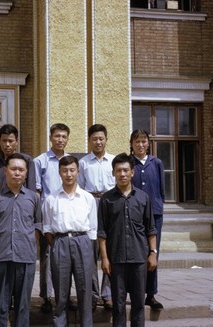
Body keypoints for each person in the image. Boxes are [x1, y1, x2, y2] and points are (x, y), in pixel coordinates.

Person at [98, 153, 157, 327]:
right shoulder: (107, 199)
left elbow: (151, 229)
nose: (122, 174)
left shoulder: (143, 198)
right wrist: (105, 258)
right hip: (116, 259)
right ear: (113, 173)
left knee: (138, 303)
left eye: (125, 170)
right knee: (118, 304)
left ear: (133, 172)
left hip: (139, 258)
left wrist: (153, 253)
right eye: (118, 171)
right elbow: (102, 232)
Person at [42, 155, 97, 327]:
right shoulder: (51, 199)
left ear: (78, 172)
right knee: (61, 290)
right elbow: (47, 229)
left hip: (83, 242)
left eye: (72, 170)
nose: (68, 174)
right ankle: (60, 323)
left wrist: (89, 249)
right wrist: (59, 245)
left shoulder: (87, 198)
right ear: (59, 173)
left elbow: (93, 229)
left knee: (85, 289)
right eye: (64, 171)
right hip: (60, 243)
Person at [0, 153, 40, 327]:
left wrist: (30, 245)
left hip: (26, 257)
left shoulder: (33, 198)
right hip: (2, 256)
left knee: (23, 303)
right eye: (13, 169)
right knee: (0, 303)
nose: (17, 173)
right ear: (5, 171)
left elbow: (37, 226)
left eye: (21, 169)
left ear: (26, 173)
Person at [33, 123, 71, 312]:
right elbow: (37, 192)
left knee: (68, 257)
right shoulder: (40, 161)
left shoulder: (71, 161)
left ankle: (64, 295)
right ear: (50, 138)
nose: (60, 139)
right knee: (47, 256)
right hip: (48, 214)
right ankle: (46, 296)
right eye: (57, 136)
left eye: (64, 136)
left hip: (67, 214)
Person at [77, 124, 115, 311]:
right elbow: (81, 189)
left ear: (106, 140)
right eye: (94, 139)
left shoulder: (113, 161)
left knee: (110, 250)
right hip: (91, 204)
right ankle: (91, 295)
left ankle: (108, 294)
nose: (98, 142)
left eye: (101, 138)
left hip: (110, 205)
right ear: (89, 140)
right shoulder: (83, 163)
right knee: (90, 253)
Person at [130, 129, 165, 310]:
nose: (141, 144)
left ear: (148, 143)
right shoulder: (129, 163)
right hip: (134, 215)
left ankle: (150, 294)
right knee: (135, 253)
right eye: (137, 141)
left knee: (153, 252)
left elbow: (162, 191)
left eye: (144, 141)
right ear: (132, 144)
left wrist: (158, 207)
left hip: (154, 214)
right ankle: (134, 291)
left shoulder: (156, 162)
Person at [0, 124, 36, 192]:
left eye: (10, 141)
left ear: (16, 141)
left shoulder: (27, 160)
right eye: (4, 141)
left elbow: (31, 186)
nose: (7, 145)